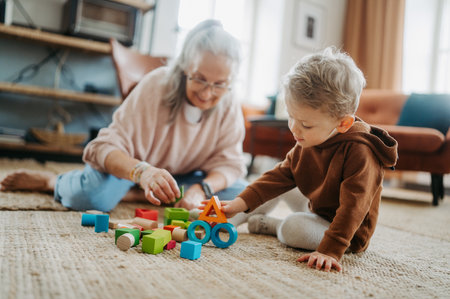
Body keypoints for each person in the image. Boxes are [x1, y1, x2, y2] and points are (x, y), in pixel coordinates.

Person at [0, 20, 248, 212]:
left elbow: (230, 165)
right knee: (89, 197)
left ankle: (137, 195)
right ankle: (52, 182)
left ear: (231, 82)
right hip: (132, 170)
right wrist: (144, 174)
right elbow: (102, 148)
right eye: (199, 78)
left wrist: (200, 189)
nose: (207, 92)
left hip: (182, 179)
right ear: (184, 67)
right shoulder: (156, 85)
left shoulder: (228, 103)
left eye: (219, 84)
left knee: (246, 196)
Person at [217, 47, 398, 272]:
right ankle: (230, 219)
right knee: (277, 183)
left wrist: (330, 250)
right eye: (291, 117)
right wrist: (239, 203)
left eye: (306, 124)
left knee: (294, 227)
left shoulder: (361, 151)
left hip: (346, 231)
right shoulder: (311, 137)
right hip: (318, 206)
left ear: (343, 124)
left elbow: (354, 207)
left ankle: (275, 226)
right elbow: (280, 176)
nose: (294, 128)